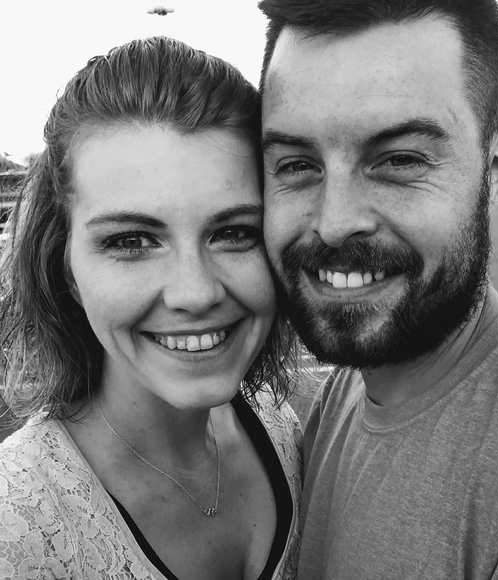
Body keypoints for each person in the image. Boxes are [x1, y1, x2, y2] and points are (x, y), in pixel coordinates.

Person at [258, 0, 498, 578]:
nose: (334, 222)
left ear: (496, 164)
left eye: (400, 159)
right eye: (297, 165)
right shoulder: (350, 385)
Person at [0, 36, 301, 580]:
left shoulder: (284, 433)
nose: (196, 292)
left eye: (234, 232)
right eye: (131, 241)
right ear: (66, 269)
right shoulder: (17, 529)